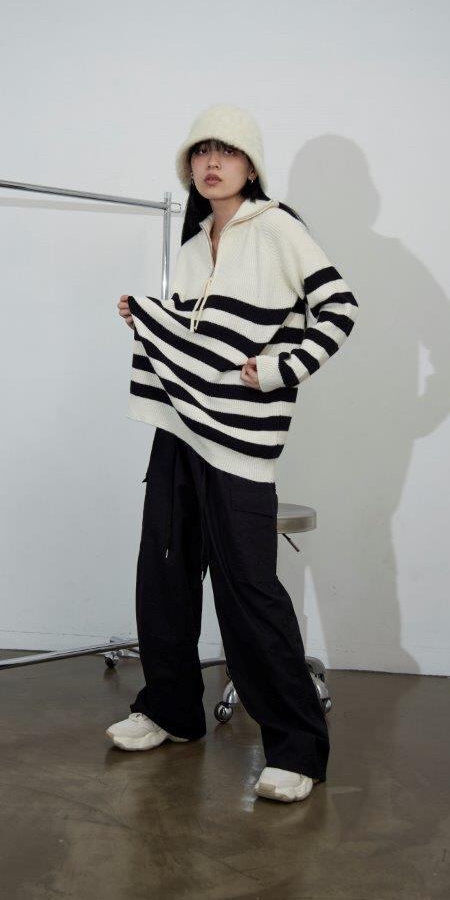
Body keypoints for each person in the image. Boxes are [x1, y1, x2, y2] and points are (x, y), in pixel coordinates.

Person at [106, 103, 359, 803]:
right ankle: (170, 710)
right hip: (177, 432)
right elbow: (199, 343)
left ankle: (297, 746)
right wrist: (149, 320)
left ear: (251, 166)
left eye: (226, 152)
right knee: (164, 573)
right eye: (200, 152)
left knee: (249, 589)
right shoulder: (193, 246)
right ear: (188, 165)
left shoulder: (277, 228)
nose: (211, 163)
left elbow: (339, 308)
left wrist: (279, 368)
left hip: (239, 442)